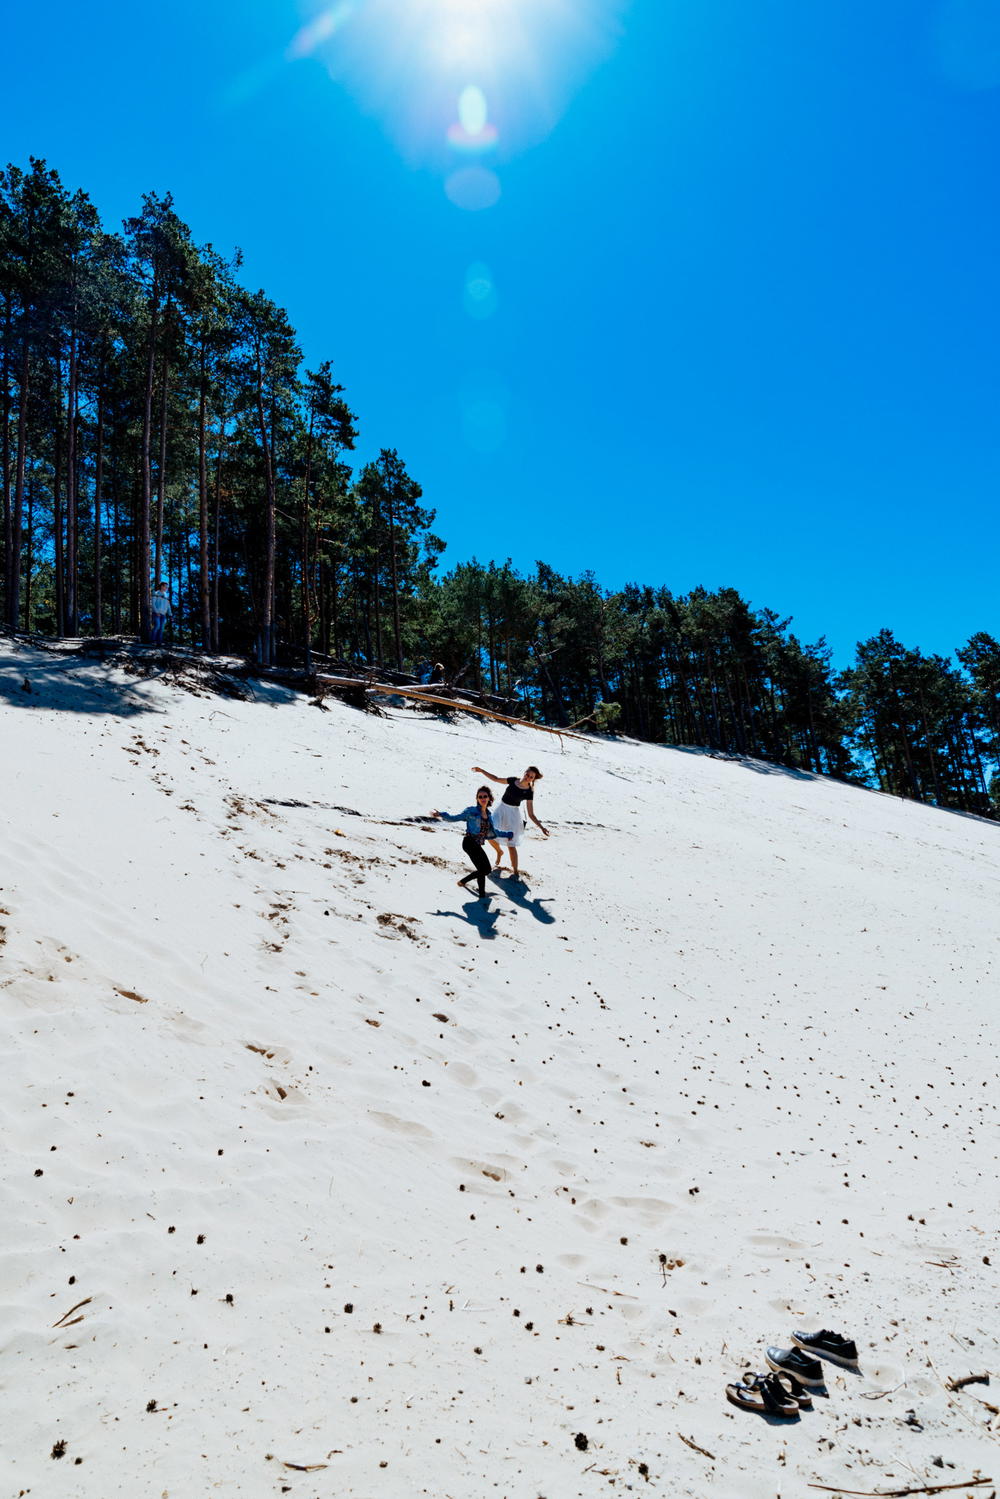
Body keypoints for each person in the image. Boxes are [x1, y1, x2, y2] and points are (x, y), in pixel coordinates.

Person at [431, 786, 512, 900]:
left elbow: (494, 831)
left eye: (485, 796)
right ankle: (476, 891)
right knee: (484, 870)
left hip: (476, 845)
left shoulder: (489, 815)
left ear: (489, 798)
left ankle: (470, 886)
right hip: (469, 843)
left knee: (484, 869)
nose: (483, 798)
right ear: (477, 799)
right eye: (480, 797)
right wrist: (441, 814)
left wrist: (508, 834)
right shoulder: (471, 811)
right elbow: (454, 818)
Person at [471, 765, 548, 878]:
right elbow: (496, 779)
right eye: (528, 774)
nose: (528, 777)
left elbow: (531, 814)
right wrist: (482, 771)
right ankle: (499, 852)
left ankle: (516, 871)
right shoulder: (513, 780)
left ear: (533, 779)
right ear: (525, 772)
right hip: (500, 810)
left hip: (513, 816)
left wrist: (541, 827)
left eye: (531, 777)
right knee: (488, 832)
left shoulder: (529, 792)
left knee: (511, 844)